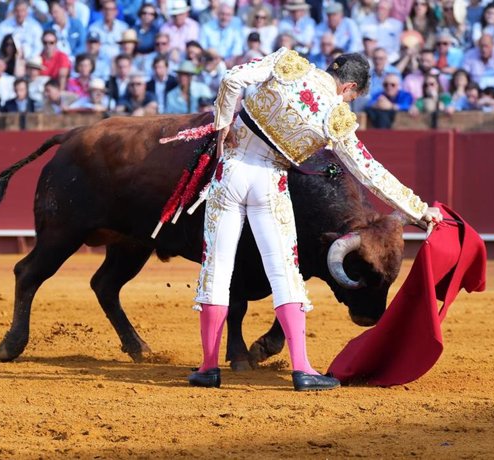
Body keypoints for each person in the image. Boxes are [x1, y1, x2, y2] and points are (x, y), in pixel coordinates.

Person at [186, 48, 441, 391]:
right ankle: (303, 369)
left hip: (228, 174)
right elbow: (370, 173)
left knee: (217, 269)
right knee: (284, 272)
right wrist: (420, 210)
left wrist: (222, 126)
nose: (349, 101)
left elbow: (232, 79)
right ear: (348, 86)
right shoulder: (336, 116)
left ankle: (207, 369)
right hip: (268, 183)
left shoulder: (287, 63)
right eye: (353, 96)